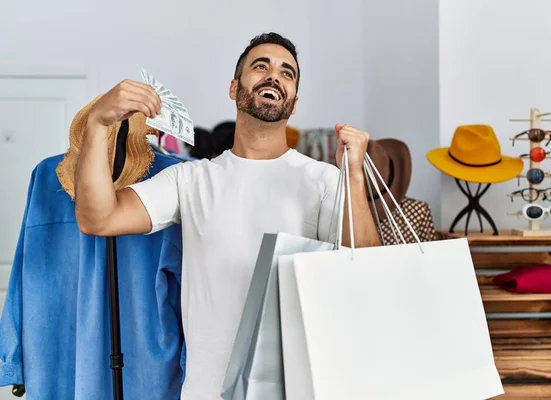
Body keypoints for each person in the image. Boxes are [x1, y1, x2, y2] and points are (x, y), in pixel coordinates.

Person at [74, 32, 381, 399]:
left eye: (287, 73)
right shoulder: (191, 179)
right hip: (209, 391)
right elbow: (98, 218)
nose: (273, 77)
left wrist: (355, 176)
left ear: (294, 102)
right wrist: (97, 124)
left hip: (299, 388)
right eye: (260, 67)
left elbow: (367, 267)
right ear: (235, 88)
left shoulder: (324, 180)